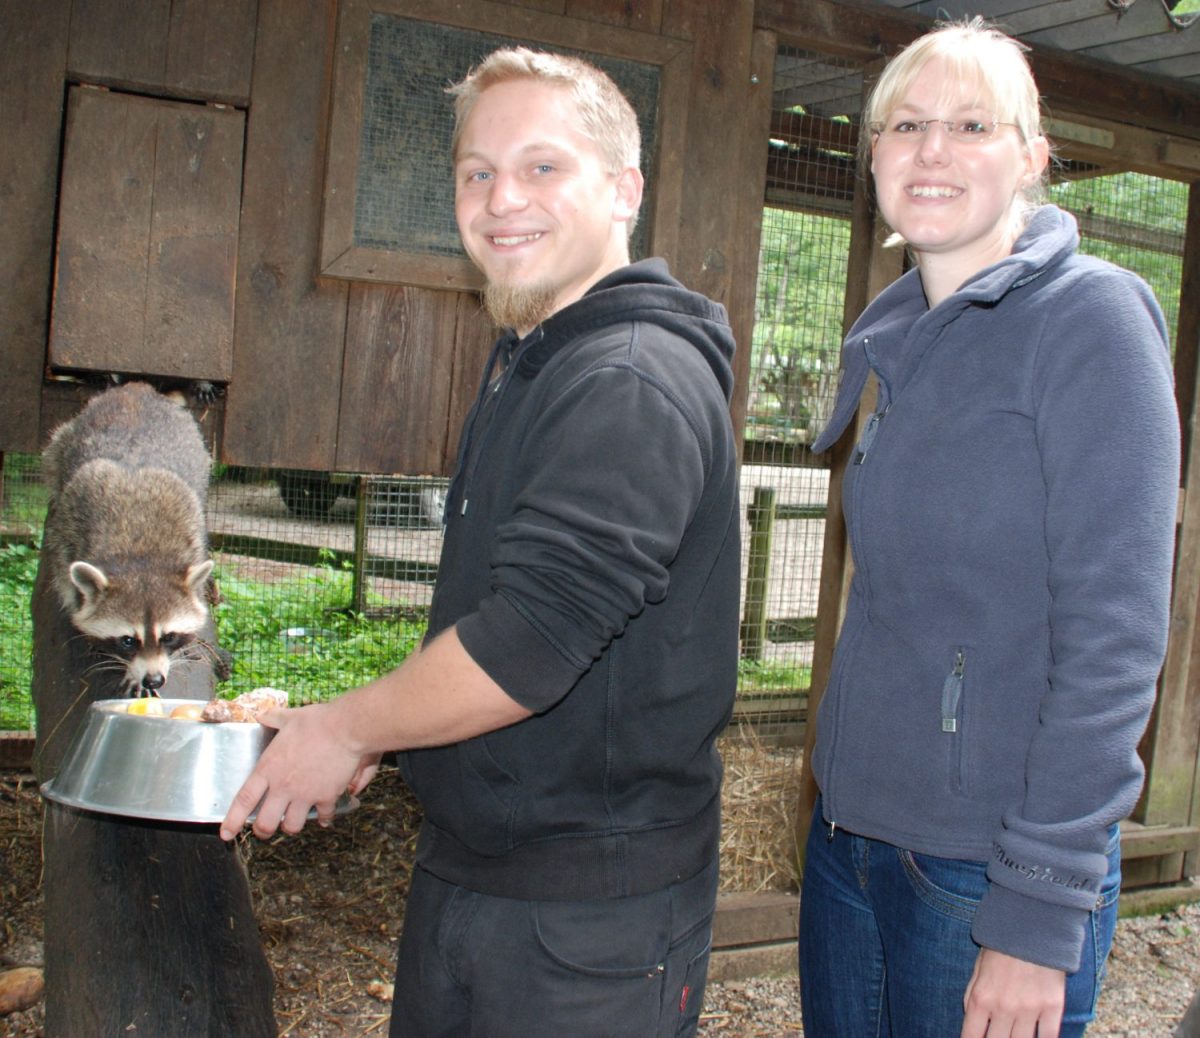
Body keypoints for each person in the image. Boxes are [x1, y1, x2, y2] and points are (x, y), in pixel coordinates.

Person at [220, 47, 741, 1038]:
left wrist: (346, 729)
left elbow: (531, 643)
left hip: (586, 919)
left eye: (544, 166)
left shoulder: (629, 379)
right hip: (479, 867)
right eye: (477, 172)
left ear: (623, 189)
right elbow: (497, 613)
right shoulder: (537, 358)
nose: (502, 198)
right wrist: (388, 720)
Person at [798, 18, 1179, 1038]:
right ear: (871, 153)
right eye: (906, 125)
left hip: (982, 869)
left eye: (972, 123)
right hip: (847, 840)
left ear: (1031, 156)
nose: (932, 149)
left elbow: (1117, 639)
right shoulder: (894, 339)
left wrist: (1039, 909)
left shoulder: (1092, 321)